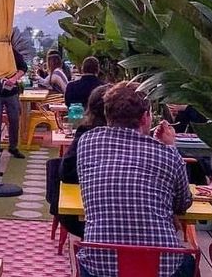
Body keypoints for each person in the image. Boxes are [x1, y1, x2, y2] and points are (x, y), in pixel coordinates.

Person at [77, 82, 193, 277]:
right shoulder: (166, 154)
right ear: (146, 117)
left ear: (107, 115)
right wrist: (170, 147)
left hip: (99, 264)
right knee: (187, 260)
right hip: (160, 266)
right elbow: (183, 203)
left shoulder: (87, 143)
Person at [58, 84, 111, 237]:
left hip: (88, 219)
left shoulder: (86, 135)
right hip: (158, 250)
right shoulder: (150, 147)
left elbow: (66, 172)